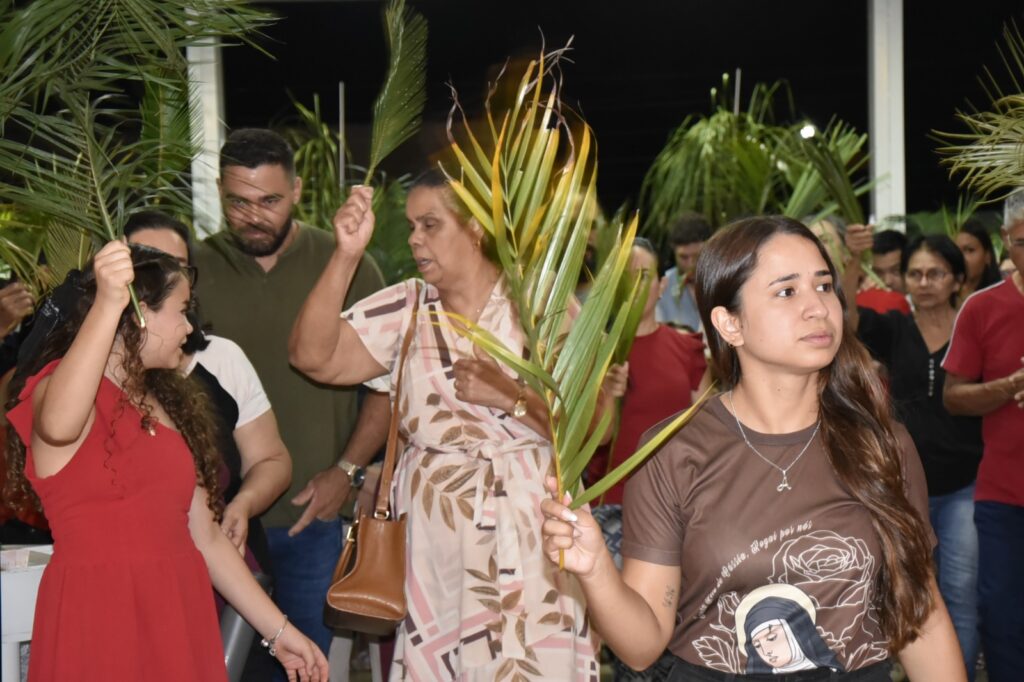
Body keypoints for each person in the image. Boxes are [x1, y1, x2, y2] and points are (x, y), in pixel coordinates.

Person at [541, 215, 964, 681]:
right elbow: (642, 649)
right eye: (787, 291)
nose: (817, 307)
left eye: (824, 286)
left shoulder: (880, 444)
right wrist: (596, 569)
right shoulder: (673, 451)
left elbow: (921, 617)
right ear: (730, 323)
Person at [289, 170, 601, 680]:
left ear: (475, 227)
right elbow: (311, 356)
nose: (415, 239)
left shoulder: (539, 306)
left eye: (430, 225)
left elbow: (591, 427)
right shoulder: (408, 306)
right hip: (434, 540)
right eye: (412, 226)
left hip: (533, 530)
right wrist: (345, 255)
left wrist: (510, 395)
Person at [3, 242, 327, 681]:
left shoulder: (162, 403)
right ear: (139, 314)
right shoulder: (55, 391)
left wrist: (280, 631)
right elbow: (59, 426)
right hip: (100, 613)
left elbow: (205, 537)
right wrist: (108, 301)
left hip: (178, 610)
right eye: (181, 311)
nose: (189, 327)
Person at [193, 128, 388, 675]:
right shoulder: (193, 270)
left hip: (311, 519)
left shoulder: (347, 263)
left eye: (270, 201)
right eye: (239, 202)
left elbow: (389, 388)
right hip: (214, 527)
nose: (254, 216)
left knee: (310, 666)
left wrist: (346, 472)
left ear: (298, 191)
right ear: (219, 192)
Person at [848, 234, 982, 679]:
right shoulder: (894, 328)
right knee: (910, 594)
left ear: (957, 279)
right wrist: (853, 258)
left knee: (960, 594)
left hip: (965, 483)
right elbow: (847, 317)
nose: (924, 283)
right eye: (915, 274)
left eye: (935, 273)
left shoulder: (973, 327)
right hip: (903, 488)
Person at [588, 237, 709, 680]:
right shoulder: (592, 353)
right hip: (614, 511)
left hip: (682, 515)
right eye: (623, 278)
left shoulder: (686, 348)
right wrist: (607, 393)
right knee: (635, 652)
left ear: (661, 285)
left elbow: (707, 430)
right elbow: (591, 442)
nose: (635, 287)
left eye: (643, 277)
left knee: (683, 646)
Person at [942, 192, 1024, 682]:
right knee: (1002, 615)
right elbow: (953, 397)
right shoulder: (982, 307)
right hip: (1004, 495)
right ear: (1005, 242)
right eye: (1023, 242)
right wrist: (1010, 385)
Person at [655, 213, 711, 332]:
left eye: (697, 256)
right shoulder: (662, 287)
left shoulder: (723, 282)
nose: (691, 264)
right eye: (684, 257)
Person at [954, 220, 1002, 304]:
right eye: (957, 251)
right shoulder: (946, 297)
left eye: (969, 250)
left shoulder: (1001, 297)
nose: (961, 257)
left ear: (987, 256)